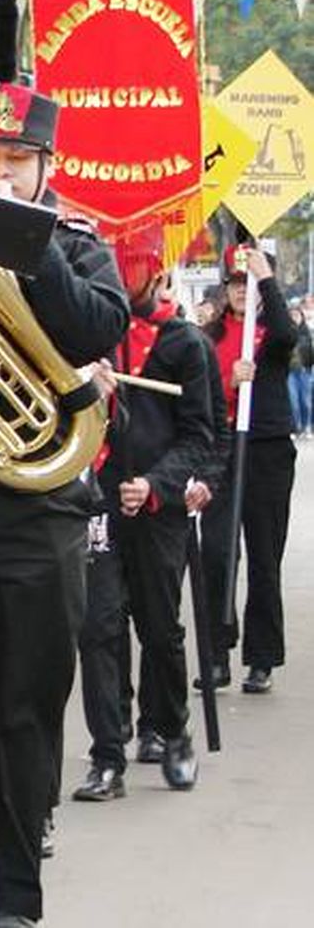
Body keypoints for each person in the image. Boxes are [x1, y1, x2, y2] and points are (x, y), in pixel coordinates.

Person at [0, 0, 129, 928]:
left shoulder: (81, 249)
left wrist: (25, 244)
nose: (2, 174)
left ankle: (16, 892)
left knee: (23, 709)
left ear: (47, 166)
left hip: (42, 504)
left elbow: (98, 326)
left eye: (18, 159)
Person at [71, 227, 214, 801]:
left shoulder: (186, 344)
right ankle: (108, 754)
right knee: (97, 627)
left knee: (159, 626)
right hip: (99, 499)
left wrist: (157, 485)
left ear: (155, 274)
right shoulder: (87, 337)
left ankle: (173, 733)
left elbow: (201, 436)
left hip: (158, 508)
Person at [199, 244, 298, 694]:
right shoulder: (211, 336)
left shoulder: (271, 331)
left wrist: (267, 277)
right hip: (223, 451)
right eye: (235, 284)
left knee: (264, 557)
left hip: (267, 450)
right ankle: (216, 653)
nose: (241, 292)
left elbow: (287, 336)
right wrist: (228, 380)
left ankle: (261, 659)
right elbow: (197, 393)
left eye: (249, 285)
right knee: (217, 553)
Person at [288, 304, 312, 436]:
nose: (295, 318)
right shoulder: (286, 332)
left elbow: (310, 352)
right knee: (293, 401)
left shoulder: (306, 332)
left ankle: (306, 426)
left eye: (297, 315)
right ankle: (295, 427)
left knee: (306, 401)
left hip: (304, 370)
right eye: (292, 315)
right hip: (290, 370)